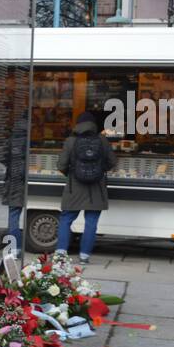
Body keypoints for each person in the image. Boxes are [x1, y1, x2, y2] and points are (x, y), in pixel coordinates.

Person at [56, 110, 116, 263]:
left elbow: (61, 165)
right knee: (91, 222)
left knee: (66, 219)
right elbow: (112, 162)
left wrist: (72, 174)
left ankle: (61, 253)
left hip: (74, 188)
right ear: (94, 125)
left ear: (78, 124)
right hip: (96, 189)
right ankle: (84, 256)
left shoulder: (70, 141)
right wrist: (99, 171)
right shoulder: (102, 140)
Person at [0, 119, 29, 249]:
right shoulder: (28, 141)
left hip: (12, 182)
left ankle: (14, 248)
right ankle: (15, 247)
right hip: (23, 182)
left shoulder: (10, 140)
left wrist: (10, 166)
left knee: (13, 217)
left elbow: (1, 157)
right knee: (15, 217)